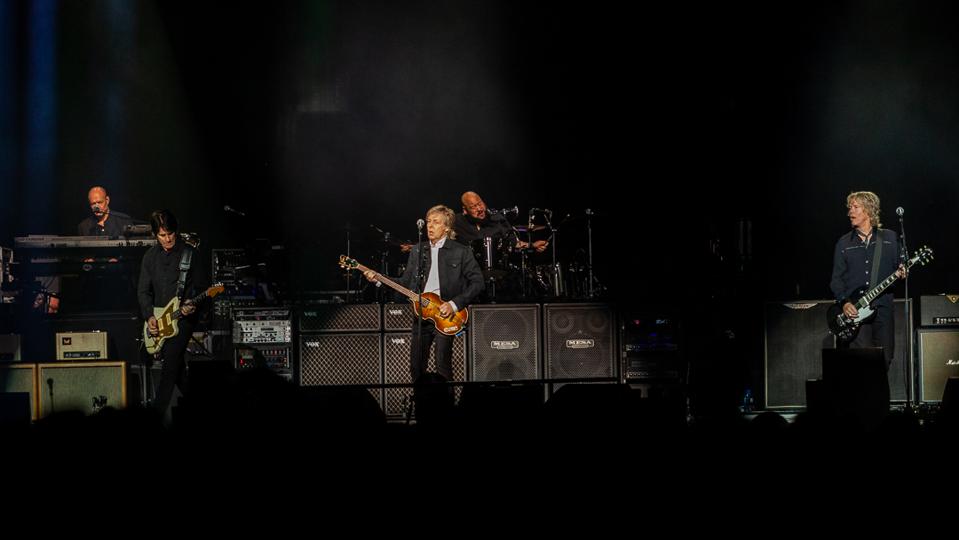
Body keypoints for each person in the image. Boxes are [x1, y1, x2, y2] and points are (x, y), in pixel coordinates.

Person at [364, 205, 484, 384]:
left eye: (436, 222)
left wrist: (453, 304)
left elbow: (478, 283)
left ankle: (447, 408)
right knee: (416, 367)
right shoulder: (418, 250)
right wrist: (379, 279)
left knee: (442, 367)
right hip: (421, 316)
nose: (430, 226)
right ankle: (422, 407)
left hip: (446, 314)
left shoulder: (461, 251)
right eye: (428, 221)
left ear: (447, 227)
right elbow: (405, 284)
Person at [137, 210, 209, 418]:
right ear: (154, 235)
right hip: (158, 319)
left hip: (183, 319)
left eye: (170, 234)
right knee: (178, 371)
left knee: (170, 360)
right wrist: (149, 316)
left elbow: (204, 289)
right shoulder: (150, 257)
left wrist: (193, 304)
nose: (167, 239)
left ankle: (155, 417)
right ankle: (202, 408)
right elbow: (143, 291)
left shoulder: (189, 254)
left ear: (176, 231)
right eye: (162, 235)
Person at [830, 191, 905, 367]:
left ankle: (878, 395)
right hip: (856, 312)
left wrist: (903, 272)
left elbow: (901, 268)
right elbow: (836, 279)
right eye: (849, 208)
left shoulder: (890, 238)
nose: (850, 212)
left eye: (855, 207)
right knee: (862, 360)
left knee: (885, 358)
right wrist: (845, 302)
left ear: (869, 210)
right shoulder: (843, 243)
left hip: (883, 309)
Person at [452, 191, 549, 253]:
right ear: (465, 210)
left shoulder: (498, 219)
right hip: (469, 275)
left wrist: (532, 245)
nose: (480, 209)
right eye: (473, 207)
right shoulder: (456, 221)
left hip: (498, 273)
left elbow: (514, 243)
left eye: (480, 203)